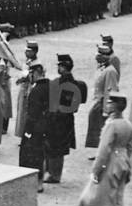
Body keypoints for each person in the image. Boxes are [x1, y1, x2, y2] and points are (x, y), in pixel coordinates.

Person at [75, 94, 132, 206]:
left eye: (110, 103)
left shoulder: (111, 125)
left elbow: (103, 151)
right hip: (123, 162)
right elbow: (130, 147)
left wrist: (96, 170)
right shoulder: (127, 123)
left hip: (111, 163)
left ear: (115, 107)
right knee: (118, 199)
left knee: (108, 200)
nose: (107, 105)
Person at [43, 54, 87, 184]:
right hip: (59, 119)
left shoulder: (67, 84)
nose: (58, 68)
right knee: (53, 147)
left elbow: (65, 107)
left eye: (60, 66)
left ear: (64, 67)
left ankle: (55, 175)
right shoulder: (62, 81)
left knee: (57, 148)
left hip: (60, 120)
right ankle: (50, 172)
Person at [18, 63, 50, 192]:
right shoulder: (50, 86)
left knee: (31, 155)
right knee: (41, 155)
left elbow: (33, 113)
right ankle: (39, 181)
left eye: (31, 74)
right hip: (46, 126)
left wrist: (28, 132)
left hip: (35, 128)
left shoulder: (36, 90)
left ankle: (35, 182)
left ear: (36, 73)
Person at [85, 44, 119, 155]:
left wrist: (106, 110)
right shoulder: (101, 68)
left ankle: (104, 152)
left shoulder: (110, 71)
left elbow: (110, 91)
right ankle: (99, 151)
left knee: (102, 128)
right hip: (97, 102)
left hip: (102, 104)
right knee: (96, 126)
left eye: (99, 55)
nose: (97, 57)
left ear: (105, 57)